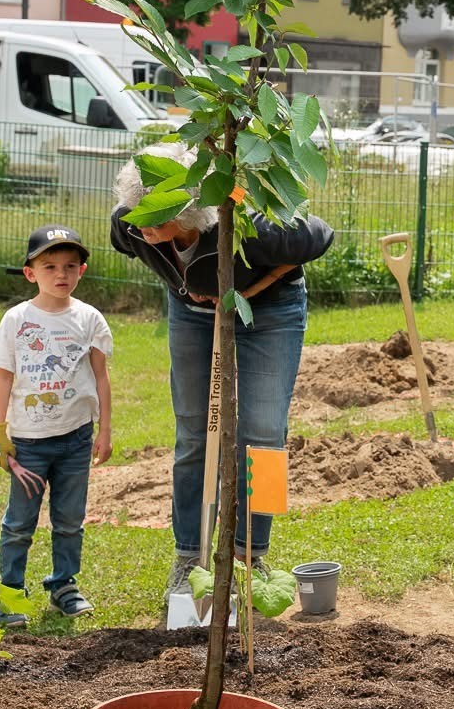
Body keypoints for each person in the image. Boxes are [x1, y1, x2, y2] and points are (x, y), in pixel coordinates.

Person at [110, 142, 333, 603]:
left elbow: (320, 238)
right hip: (191, 313)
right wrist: (193, 288)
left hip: (270, 312)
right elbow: (145, 246)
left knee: (265, 435)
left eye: (157, 217)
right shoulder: (129, 224)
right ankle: (189, 557)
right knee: (195, 431)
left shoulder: (254, 228)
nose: (143, 225)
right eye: (139, 214)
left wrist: (247, 290)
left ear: (191, 214)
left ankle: (253, 553)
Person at [0, 224, 113, 625]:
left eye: (70, 266)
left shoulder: (89, 319)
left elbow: (101, 377)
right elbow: (3, 377)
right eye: (50, 266)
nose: (61, 274)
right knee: (19, 523)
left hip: (76, 439)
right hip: (28, 444)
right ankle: (11, 595)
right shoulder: (16, 319)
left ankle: (63, 586)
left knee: (70, 521)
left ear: (82, 271)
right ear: (30, 273)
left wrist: (104, 429)